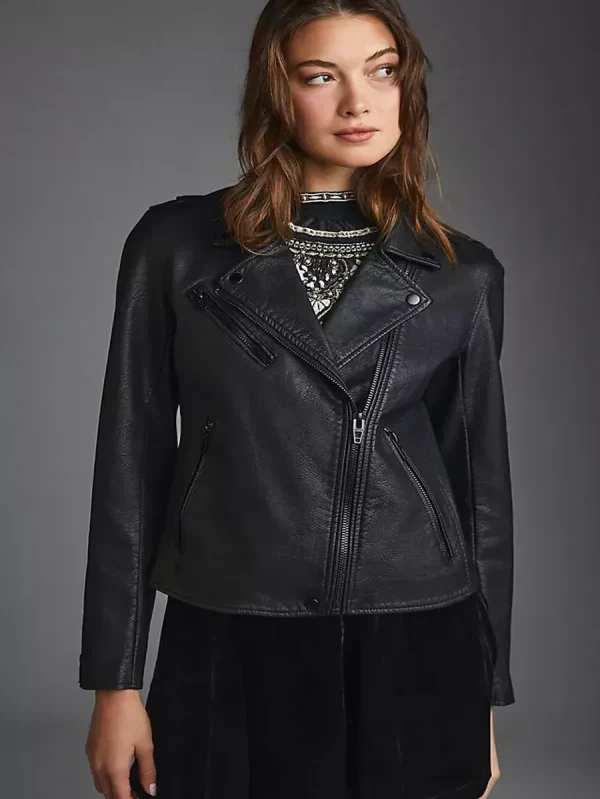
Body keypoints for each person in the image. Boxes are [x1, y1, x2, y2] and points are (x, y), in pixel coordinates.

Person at [79, 2, 515, 798]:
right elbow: (130, 472)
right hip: (232, 629)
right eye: (321, 76)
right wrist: (116, 682)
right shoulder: (175, 249)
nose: (358, 101)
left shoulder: (464, 274)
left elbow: (479, 495)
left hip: (418, 637)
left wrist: (483, 699)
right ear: (275, 91)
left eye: (382, 71)